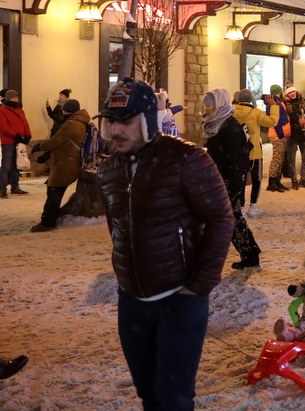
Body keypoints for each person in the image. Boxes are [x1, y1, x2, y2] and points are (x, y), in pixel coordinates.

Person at [95, 78, 233, 410]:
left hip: (179, 299)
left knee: (174, 397)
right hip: (132, 299)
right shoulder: (108, 170)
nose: (116, 130)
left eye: (125, 121)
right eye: (111, 121)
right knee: (148, 393)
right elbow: (118, 226)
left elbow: (221, 218)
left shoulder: (187, 159)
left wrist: (198, 285)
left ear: (146, 120)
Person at [203, 88, 261, 269]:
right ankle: (250, 254)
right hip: (219, 179)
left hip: (228, 181)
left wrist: (235, 186)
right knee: (231, 220)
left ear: (218, 104)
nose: (206, 108)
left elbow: (238, 157)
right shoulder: (217, 123)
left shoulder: (229, 125)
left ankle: (249, 254)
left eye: (209, 104)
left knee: (228, 220)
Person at [29, 99, 89, 232]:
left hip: (65, 164)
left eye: (63, 110)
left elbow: (57, 140)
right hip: (67, 161)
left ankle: (48, 222)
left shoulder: (72, 124)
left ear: (68, 111)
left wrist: (40, 146)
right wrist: (47, 155)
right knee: (56, 191)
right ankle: (51, 219)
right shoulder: (80, 121)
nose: (61, 112)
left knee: (54, 191)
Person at [232, 89, 278, 216]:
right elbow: (272, 121)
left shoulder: (231, 112)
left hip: (238, 152)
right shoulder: (255, 113)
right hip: (254, 152)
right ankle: (253, 206)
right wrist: (273, 106)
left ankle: (240, 206)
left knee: (239, 180)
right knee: (256, 179)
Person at [0, 90, 31, 198]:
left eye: (17, 97)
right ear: (9, 98)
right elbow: (4, 128)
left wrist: (28, 135)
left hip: (19, 143)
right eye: (14, 97)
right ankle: (2, 188)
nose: (16, 99)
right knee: (6, 165)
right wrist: (15, 135)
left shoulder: (20, 111)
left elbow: (25, 124)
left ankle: (15, 186)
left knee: (17, 165)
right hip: (8, 142)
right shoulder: (2, 111)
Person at [283, 84, 305, 189]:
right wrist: (296, 121)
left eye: (293, 91)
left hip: (304, 133)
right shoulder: (285, 105)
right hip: (292, 134)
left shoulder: (303, 102)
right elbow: (285, 118)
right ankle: (294, 180)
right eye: (289, 93)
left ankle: (303, 178)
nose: (292, 94)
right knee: (292, 159)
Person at [265, 84, 291, 192]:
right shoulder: (273, 103)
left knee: (280, 159)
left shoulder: (278, 102)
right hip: (277, 134)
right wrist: (280, 133)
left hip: (281, 133)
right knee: (276, 159)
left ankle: (277, 181)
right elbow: (276, 120)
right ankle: (272, 182)